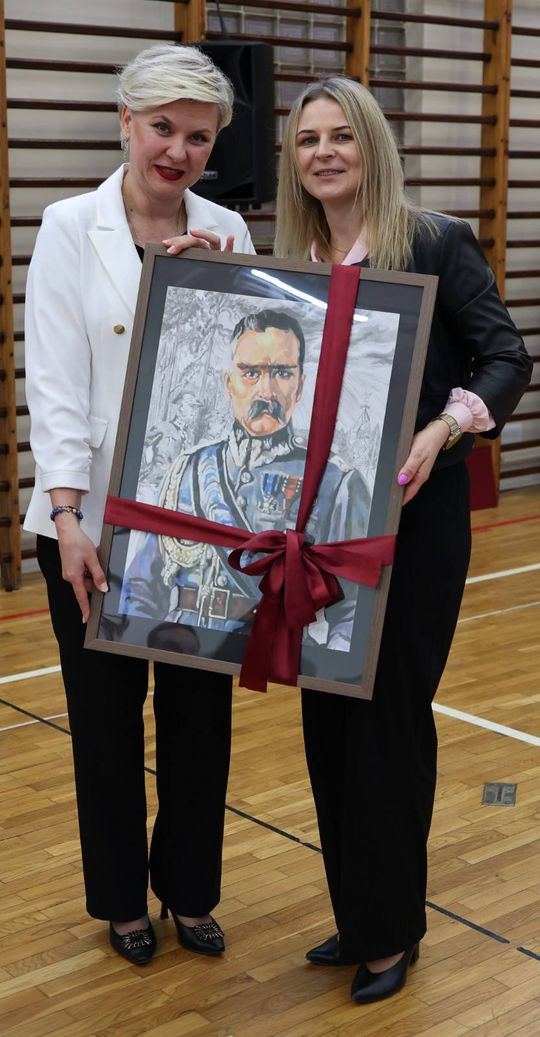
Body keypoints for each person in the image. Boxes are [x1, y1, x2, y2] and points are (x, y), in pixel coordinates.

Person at [274, 76, 533, 1004]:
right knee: (327, 719)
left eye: (342, 135)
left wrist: (443, 428)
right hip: (320, 530)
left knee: (388, 721)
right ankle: (357, 914)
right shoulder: (294, 258)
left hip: (415, 528)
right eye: (309, 139)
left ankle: (393, 933)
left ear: (373, 145)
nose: (325, 152)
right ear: (293, 158)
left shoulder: (434, 239)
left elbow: (508, 357)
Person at [23, 43, 256, 966]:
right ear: (125, 123)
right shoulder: (67, 225)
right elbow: (55, 382)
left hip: (200, 520)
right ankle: (123, 900)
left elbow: (244, 383)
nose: (178, 151)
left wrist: (205, 295)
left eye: (198, 137)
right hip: (88, 525)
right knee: (105, 721)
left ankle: (190, 891)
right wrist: (68, 518)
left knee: (200, 719)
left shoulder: (228, 231)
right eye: (162, 128)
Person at [119, 309, 370, 650]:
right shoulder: (188, 470)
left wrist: (332, 667)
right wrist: (132, 640)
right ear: (229, 384)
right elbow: (142, 586)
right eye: (251, 373)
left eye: (282, 373)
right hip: (187, 648)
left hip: (280, 655)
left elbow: (355, 609)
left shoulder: (336, 483)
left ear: (300, 386)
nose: (266, 392)